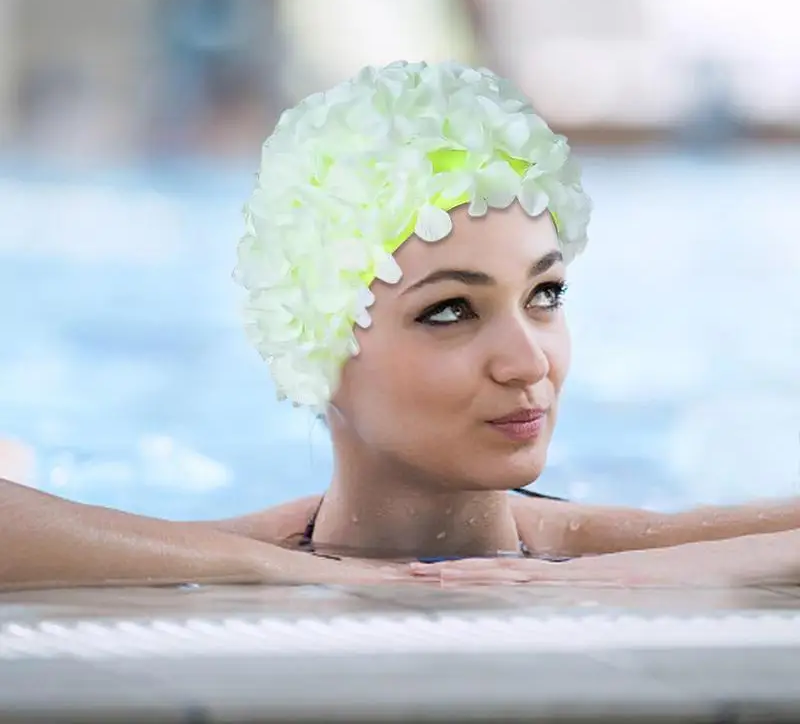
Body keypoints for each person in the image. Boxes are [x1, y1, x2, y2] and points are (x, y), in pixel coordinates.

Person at [3, 61, 800, 591]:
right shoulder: (258, 554)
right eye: (450, 310)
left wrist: (595, 580)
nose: (528, 362)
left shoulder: (577, 541)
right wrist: (306, 575)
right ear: (320, 347)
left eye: (545, 294)